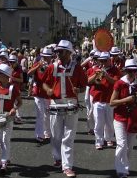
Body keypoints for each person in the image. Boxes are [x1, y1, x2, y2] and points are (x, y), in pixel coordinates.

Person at [41, 40, 87, 177]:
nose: (58, 54)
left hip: (71, 103)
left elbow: (84, 86)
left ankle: (67, 166)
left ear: (68, 52)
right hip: (55, 103)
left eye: (60, 51)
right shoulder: (52, 67)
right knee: (56, 135)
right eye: (57, 51)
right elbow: (44, 83)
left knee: (68, 137)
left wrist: (79, 89)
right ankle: (57, 157)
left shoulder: (77, 68)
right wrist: (48, 89)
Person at [110, 58, 137, 178]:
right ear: (125, 71)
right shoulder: (119, 83)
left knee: (130, 146)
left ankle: (125, 165)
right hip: (120, 117)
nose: (132, 73)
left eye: (134, 71)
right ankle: (121, 170)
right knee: (121, 144)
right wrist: (127, 100)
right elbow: (112, 102)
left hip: (133, 117)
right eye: (129, 71)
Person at [0, 64, 22, 175]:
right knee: (0, 140)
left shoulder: (13, 88)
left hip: (8, 118)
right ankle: (5, 157)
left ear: (6, 76)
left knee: (6, 139)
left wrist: (14, 108)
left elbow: (20, 102)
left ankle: (3, 162)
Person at [88, 51, 121, 150]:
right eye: (101, 60)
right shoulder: (96, 69)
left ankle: (109, 138)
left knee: (109, 122)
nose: (103, 62)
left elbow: (116, 82)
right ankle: (99, 141)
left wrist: (106, 76)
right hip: (98, 99)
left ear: (109, 60)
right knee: (98, 122)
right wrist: (95, 75)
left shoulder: (115, 70)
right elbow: (88, 81)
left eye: (105, 60)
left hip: (109, 99)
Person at [27, 47, 53, 143]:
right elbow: (29, 73)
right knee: (40, 115)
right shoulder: (38, 63)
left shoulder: (53, 66)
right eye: (44, 57)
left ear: (51, 57)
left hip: (48, 94)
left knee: (48, 115)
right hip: (38, 93)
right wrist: (38, 66)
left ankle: (47, 134)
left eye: (47, 57)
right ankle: (39, 135)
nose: (45, 59)